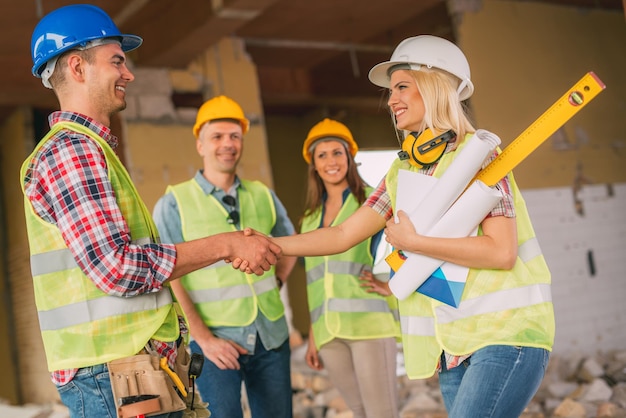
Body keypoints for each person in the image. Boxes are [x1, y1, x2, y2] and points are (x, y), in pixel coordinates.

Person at [265, 35, 555, 418]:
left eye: (402, 86)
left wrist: (416, 241)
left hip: (506, 335)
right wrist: (268, 245)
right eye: (391, 90)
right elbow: (341, 235)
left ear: (435, 86)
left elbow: (501, 253)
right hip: (452, 347)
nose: (391, 100)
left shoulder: (481, 158)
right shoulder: (401, 171)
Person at [21, 5, 280, 418]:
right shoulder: (73, 151)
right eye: (117, 61)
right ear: (78, 66)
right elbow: (117, 268)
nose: (129, 74)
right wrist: (224, 244)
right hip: (112, 371)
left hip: (127, 368)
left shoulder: (92, 150)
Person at [152, 95, 297, 418]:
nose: (227, 144)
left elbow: (292, 243)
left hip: (270, 335)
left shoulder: (263, 194)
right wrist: (203, 338)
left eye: (234, 136)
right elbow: (169, 274)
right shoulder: (174, 202)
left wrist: (277, 279)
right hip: (213, 342)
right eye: (217, 136)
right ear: (200, 145)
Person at [299, 118, 401, 418]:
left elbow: (400, 247)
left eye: (337, 153)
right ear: (313, 165)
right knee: (359, 413)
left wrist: (391, 284)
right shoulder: (309, 217)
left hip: (369, 325)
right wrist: (313, 336)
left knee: (382, 413)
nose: (331, 161)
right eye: (322, 155)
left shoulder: (373, 202)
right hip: (328, 334)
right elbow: (313, 281)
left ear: (349, 158)